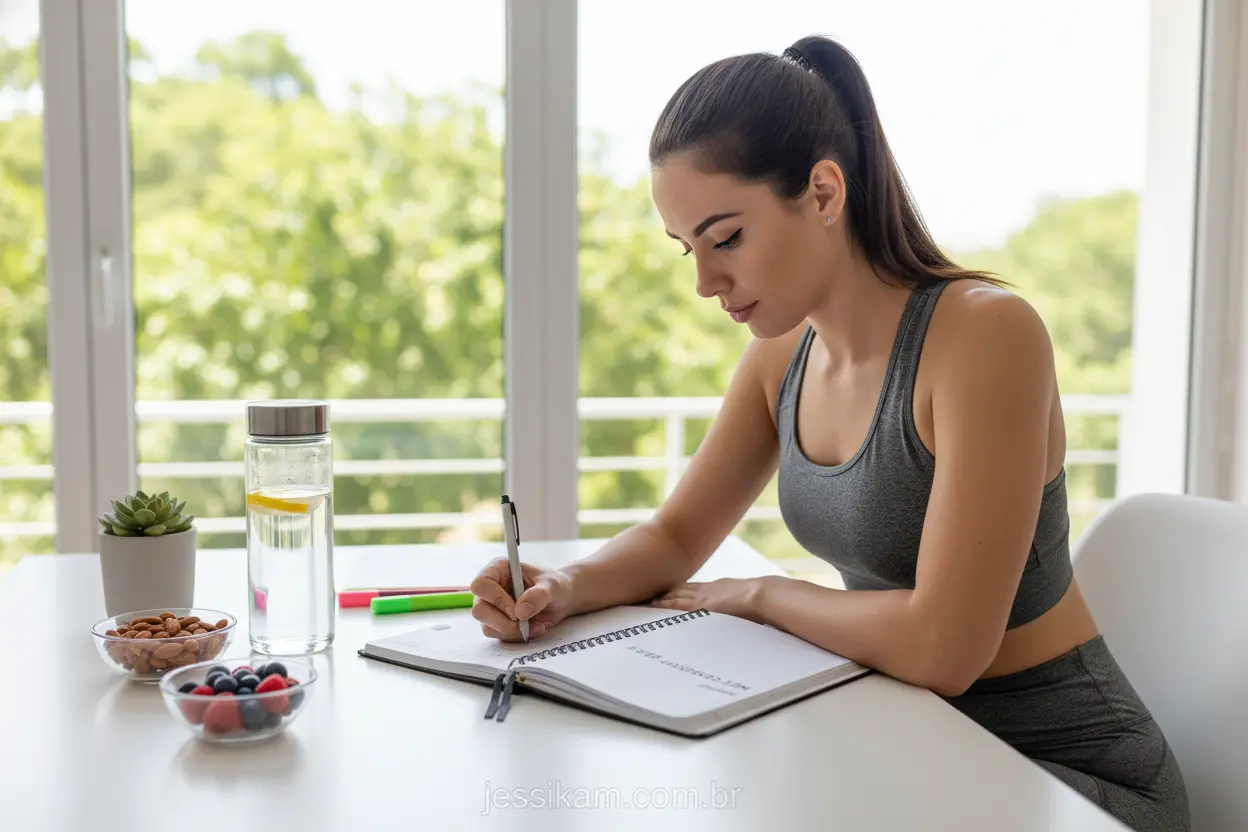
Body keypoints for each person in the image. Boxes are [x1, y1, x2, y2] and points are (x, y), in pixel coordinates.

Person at [468, 34, 1190, 832]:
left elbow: (946, 649)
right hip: (915, 744)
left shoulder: (988, 338)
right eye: (688, 250)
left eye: (726, 238)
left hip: (1067, 780)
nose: (706, 282)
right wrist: (561, 590)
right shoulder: (782, 358)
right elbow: (676, 535)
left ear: (822, 192)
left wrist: (765, 595)